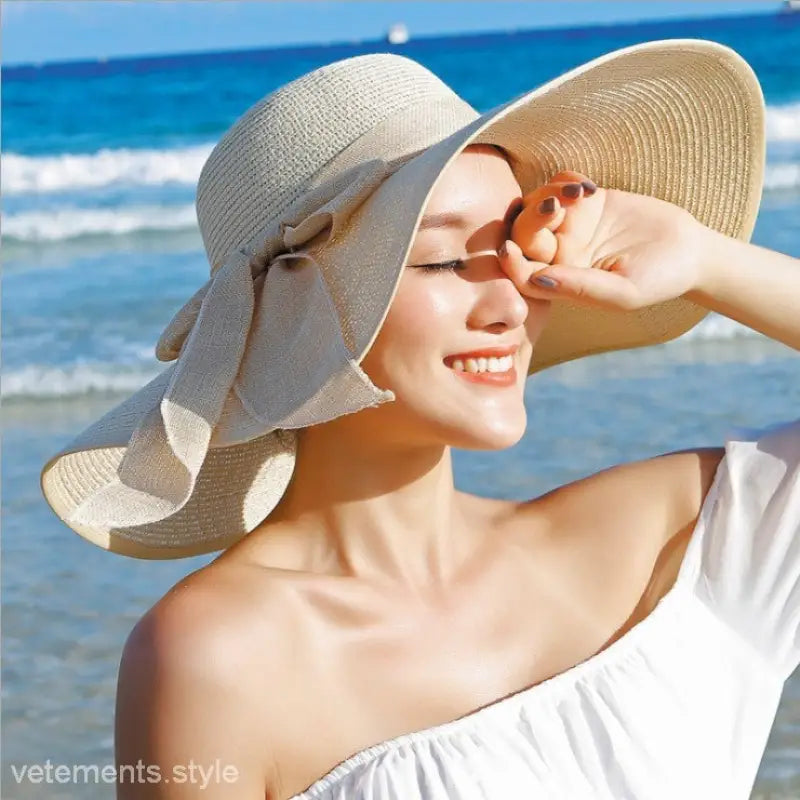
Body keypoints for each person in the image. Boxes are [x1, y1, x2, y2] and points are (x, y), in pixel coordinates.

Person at [40, 41, 799, 800]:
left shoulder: (672, 540)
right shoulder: (220, 658)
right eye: (443, 261)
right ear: (298, 320)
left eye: (512, 248)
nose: (511, 304)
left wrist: (706, 260)